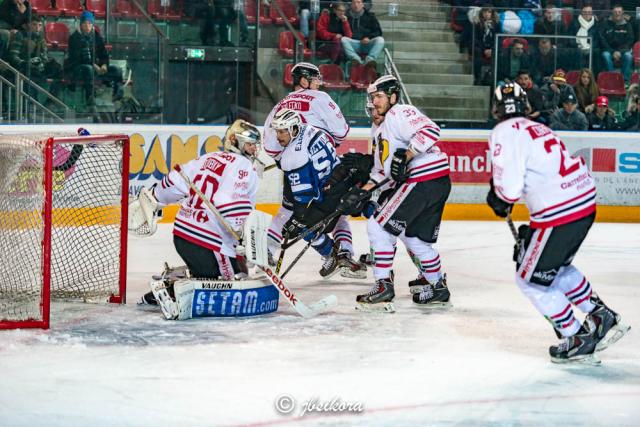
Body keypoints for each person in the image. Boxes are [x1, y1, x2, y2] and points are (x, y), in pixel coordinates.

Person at [486, 82, 629, 364]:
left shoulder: (504, 131)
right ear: (525, 104)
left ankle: (576, 337)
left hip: (559, 213)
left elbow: (510, 191)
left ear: (496, 108)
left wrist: (498, 197)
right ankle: (601, 315)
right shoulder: (538, 126)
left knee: (530, 280)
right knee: (555, 267)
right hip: (584, 203)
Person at [338, 75, 452, 310]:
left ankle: (383, 287)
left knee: (378, 226)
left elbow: (431, 130)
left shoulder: (399, 112)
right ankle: (438, 287)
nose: (374, 103)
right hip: (435, 182)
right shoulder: (378, 130)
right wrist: (362, 192)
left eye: (379, 97)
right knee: (414, 238)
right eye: (372, 99)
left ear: (392, 96)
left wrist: (408, 155)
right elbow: (384, 172)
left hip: (422, 178)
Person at [138, 120, 262, 305]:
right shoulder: (245, 167)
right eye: (250, 144)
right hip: (208, 241)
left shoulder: (208, 157)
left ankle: (178, 278)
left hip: (182, 235)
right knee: (233, 282)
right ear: (235, 141)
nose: (254, 150)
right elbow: (228, 202)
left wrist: (156, 196)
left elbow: (172, 182)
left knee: (232, 264)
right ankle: (168, 289)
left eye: (255, 145)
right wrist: (245, 237)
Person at [263, 62, 363, 278]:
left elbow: (270, 146)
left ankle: (268, 251)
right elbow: (341, 132)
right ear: (304, 80)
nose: (319, 83)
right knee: (338, 211)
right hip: (325, 169)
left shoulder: (280, 105)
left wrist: (287, 157)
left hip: (294, 171)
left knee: (290, 212)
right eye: (316, 79)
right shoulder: (320, 98)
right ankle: (343, 253)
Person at [271, 108, 370, 278]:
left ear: (294, 129)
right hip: (345, 178)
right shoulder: (312, 130)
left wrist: (295, 221)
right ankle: (345, 253)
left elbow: (304, 200)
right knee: (344, 216)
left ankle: (331, 253)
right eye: (277, 131)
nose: (278, 136)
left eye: (282, 131)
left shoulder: (291, 158)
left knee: (303, 227)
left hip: (330, 195)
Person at [66, 11, 124, 109]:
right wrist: (95, 66)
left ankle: (117, 94)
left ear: (92, 24)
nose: (87, 26)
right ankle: (90, 97)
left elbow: (104, 55)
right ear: (81, 25)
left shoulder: (97, 37)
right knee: (88, 69)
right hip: (78, 68)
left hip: (96, 68)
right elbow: (78, 58)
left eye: (89, 23)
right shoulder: (74, 38)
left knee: (117, 70)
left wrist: (104, 65)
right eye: (85, 23)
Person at [7, 14, 63, 99]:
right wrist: (25, 63)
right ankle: (31, 103)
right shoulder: (20, 35)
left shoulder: (41, 38)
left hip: (38, 64)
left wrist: (45, 60)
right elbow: (13, 55)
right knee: (32, 73)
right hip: (24, 66)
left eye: (40, 25)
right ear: (28, 25)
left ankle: (51, 100)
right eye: (34, 24)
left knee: (58, 69)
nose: (37, 27)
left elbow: (44, 54)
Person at [341, 0, 384, 68]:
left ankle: (370, 59)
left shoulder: (370, 16)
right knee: (343, 39)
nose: (356, 5)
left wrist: (369, 37)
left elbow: (378, 31)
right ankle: (356, 59)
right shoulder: (346, 16)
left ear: (363, 4)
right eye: (354, 2)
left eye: (358, 2)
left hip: (367, 43)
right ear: (351, 5)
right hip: (353, 44)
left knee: (380, 40)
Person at [599, 4, 634, 83]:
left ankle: (624, 80)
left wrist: (619, 52)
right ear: (612, 12)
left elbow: (630, 40)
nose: (617, 13)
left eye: (619, 12)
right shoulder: (605, 24)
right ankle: (612, 78)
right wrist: (612, 52)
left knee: (628, 56)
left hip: (623, 50)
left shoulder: (627, 25)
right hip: (609, 50)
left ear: (622, 12)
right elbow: (602, 40)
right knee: (605, 55)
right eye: (615, 12)